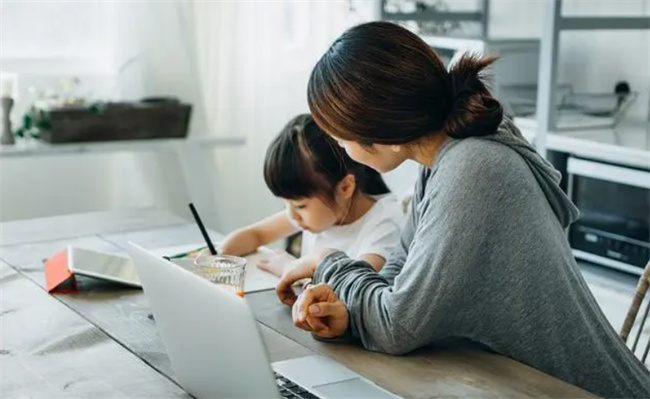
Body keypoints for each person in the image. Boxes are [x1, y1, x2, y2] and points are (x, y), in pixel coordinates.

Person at [275, 22, 650, 399]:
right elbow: (397, 280)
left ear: (384, 133)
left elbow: (397, 326)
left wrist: (330, 262)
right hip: (507, 383)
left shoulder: (472, 168)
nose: (340, 145)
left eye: (341, 135)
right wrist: (350, 314)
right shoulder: (441, 159)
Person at [218, 113, 403, 277]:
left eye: (300, 205)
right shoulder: (323, 212)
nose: (292, 215)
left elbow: (356, 285)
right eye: (286, 204)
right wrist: (218, 254)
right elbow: (256, 235)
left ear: (345, 187)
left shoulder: (384, 227)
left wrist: (291, 267)